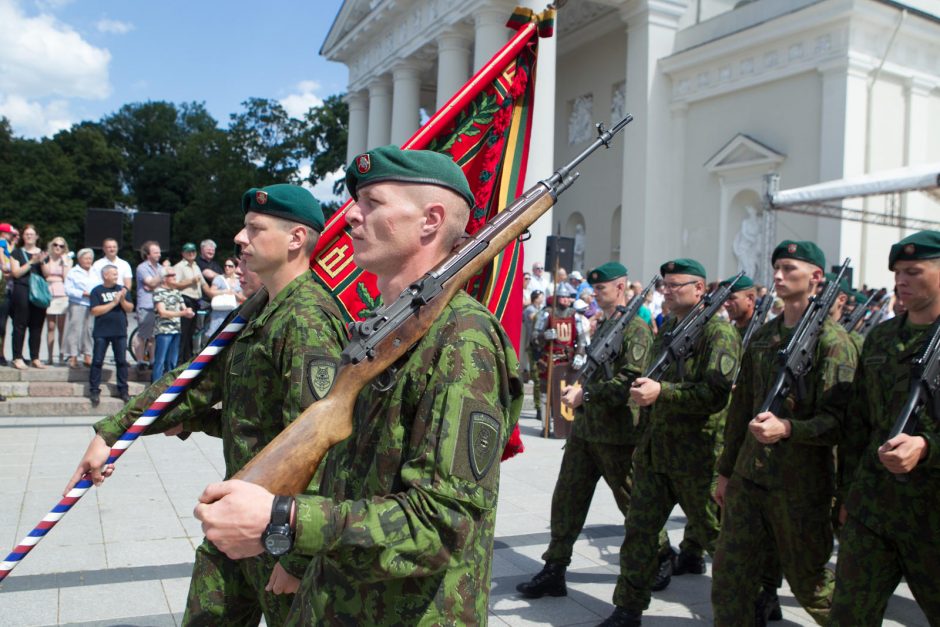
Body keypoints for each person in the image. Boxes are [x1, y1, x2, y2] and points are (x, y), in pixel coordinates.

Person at [192, 145, 522, 625]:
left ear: (430, 220)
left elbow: (443, 522)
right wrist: (299, 554)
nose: (350, 217)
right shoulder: (379, 325)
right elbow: (344, 473)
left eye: (373, 202)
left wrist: (282, 519)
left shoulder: (463, 338)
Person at [66, 183, 348, 626]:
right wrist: (113, 433)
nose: (240, 238)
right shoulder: (259, 308)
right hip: (237, 514)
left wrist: (297, 553)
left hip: (279, 531)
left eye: (255, 229)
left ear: (296, 239)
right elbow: (193, 383)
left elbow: (321, 445)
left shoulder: (307, 319)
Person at [712, 241, 857, 626]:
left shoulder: (834, 343)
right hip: (748, 477)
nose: (778, 275)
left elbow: (840, 422)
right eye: (776, 267)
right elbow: (740, 410)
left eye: (789, 268)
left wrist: (789, 428)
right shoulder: (763, 337)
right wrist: (726, 472)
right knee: (729, 579)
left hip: (800, 485)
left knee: (811, 585)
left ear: (816, 277)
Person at [516, 263, 669, 601]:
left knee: (632, 502)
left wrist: (587, 394)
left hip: (617, 436)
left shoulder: (636, 330)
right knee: (567, 498)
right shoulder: (605, 325)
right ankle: (555, 567)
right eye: (594, 289)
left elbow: (631, 380)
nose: (596, 294)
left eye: (602, 288)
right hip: (586, 432)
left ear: (621, 287)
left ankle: (661, 554)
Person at [604, 258, 741, 626]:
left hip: (697, 457)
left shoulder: (718, 333)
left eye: (676, 284)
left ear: (700, 289)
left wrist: (662, 392)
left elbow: (715, 395)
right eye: (665, 284)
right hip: (656, 453)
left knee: (718, 537)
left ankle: (748, 604)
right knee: (639, 533)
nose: (667, 289)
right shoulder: (668, 329)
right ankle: (627, 608)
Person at [830, 231, 940, 625]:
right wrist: (847, 495)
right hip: (873, 507)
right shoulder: (880, 338)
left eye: (913, 271)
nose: (900, 282)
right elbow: (857, 423)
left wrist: (927, 447)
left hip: (933, 515)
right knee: (848, 616)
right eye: (897, 272)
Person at [88, 265, 134, 407]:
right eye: (113, 274)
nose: (116, 276)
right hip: (102, 332)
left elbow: (130, 308)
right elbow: (95, 311)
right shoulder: (97, 291)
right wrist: (113, 303)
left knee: (121, 361)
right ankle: (94, 390)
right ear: (105, 275)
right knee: (97, 361)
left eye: (117, 273)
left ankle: (123, 390)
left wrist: (121, 301)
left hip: (119, 331)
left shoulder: (122, 290)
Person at [9, 224, 49, 370]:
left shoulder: (43, 253)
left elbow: (47, 274)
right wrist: (31, 262)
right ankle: (17, 357)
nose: (29, 236)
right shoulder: (17, 253)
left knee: (37, 325)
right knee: (20, 324)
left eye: (32, 234)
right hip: (22, 289)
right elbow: (16, 273)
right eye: (26, 234)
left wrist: (42, 261)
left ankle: (35, 357)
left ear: (37, 236)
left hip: (38, 292)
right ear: (23, 236)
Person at [151, 266, 193, 382]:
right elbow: (162, 312)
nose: (174, 277)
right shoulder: (158, 292)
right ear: (164, 278)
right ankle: (155, 386)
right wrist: (183, 313)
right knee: (160, 360)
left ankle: (170, 386)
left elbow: (184, 308)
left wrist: (189, 312)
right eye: (171, 275)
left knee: (172, 361)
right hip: (164, 331)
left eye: (175, 275)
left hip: (176, 330)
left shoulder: (176, 292)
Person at [172, 242, 210, 362]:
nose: (191, 253)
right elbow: (174, 285)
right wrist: (191, 281)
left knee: (191, 334)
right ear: (183, 253)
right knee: (183, 334)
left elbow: (204, 286)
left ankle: (187, 360)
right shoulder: (179, 267)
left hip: (195, 302)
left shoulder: (196, 266)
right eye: (188, 251)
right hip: (185, 301)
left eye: (193, 251)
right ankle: (179, 362)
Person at [41, 236, 72, 364]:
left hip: (62, 294)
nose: (58, 247)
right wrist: (44, 262)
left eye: (61, 246)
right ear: (51, 246)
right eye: (55, 245)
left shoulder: (68, 260)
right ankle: (49, 357)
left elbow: (66, 278)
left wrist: (64, 263)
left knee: (62, 327)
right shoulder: (47, 258)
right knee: (51, 327)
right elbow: (46, 274)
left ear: (65, 248)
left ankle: (61, 355)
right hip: (49, 294)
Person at [63, 249, 96, 369]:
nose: (88, 261)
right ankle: (73, 355)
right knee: (75, 329)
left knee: (89, 329)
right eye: (86, 258)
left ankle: (88, 354)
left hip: (92, 304)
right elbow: (68, 289)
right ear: (80, 259)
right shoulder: (73, 272)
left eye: (90, 258)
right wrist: (82, 293)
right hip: (78, 302)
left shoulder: (95, 271)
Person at [134, 241, 163, 370]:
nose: (159, 254)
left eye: (159, 251)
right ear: (148, 254)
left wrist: (155, 283)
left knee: (153, 336)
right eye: (156, 252)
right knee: (142, 335)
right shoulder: (142, 268)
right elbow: (150, 283)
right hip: (146, 305)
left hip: (158, 305)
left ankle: (152, 361)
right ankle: (140, 361)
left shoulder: (160, 267)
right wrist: (159, 279)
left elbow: (162, 285)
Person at [205, 257, 243, 337]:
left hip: (233, 312)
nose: (227, 267)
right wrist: (224, 291)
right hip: (218, 314)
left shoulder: (239, 280)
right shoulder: (219, 278)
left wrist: (234, 293)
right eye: (225, 265)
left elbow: (242, 297)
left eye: (230, 266)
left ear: (235, 267)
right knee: (214, 336)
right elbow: (211, 292)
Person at [0, 223, 15, 365]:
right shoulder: (2, 242)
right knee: (2, 325)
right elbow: (4, 266)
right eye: (11, 234)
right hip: (4, 288)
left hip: (9, 288)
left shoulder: (8, 246)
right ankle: (1, 354)